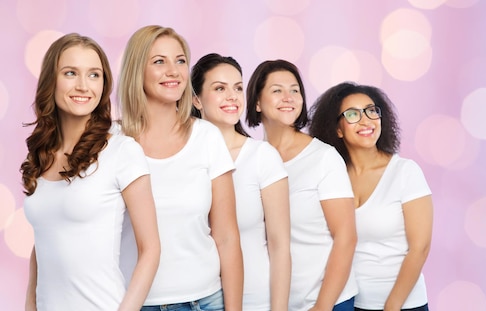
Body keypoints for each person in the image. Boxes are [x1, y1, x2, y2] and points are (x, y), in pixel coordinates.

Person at [20, 33, 160, 310]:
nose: (83, 86)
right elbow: (44, 239)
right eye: (71, 73)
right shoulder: (40, 154)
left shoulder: (122, 151)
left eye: (94, 75)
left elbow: (151, 250)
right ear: (52, 80)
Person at [117, 26, 243, 311]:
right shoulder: (112, 142)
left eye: (180, 60)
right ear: (138, 69)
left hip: (205, 302)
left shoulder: (207, 137)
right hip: (133, 303)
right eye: (159, 61)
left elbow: (226, 236)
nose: (173, 70)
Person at [309, 82, 433, 311]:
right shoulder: (332, 178)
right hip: (349, 303)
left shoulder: (405, 172)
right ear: (337, 129)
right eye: (353, 114)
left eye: (371, 110)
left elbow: (420, 248)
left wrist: (392, 306)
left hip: (403, 305)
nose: (366, 120)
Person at [246, 59, 358, 311]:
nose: (288, 97)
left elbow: (346, 237)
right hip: (272, 303)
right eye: (277, 90)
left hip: (325, 302)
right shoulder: (250, 159)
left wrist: (322, 306)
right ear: (256, 102)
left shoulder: (323, 158)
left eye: (294, 90)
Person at [190, 53, 291, 311]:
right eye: (220, 88)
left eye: (237, 88)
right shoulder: (184, 158)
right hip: (195, 299)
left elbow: (280, 246)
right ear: (196, 99)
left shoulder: (262, 157)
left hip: (255, 300)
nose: (232, 97)